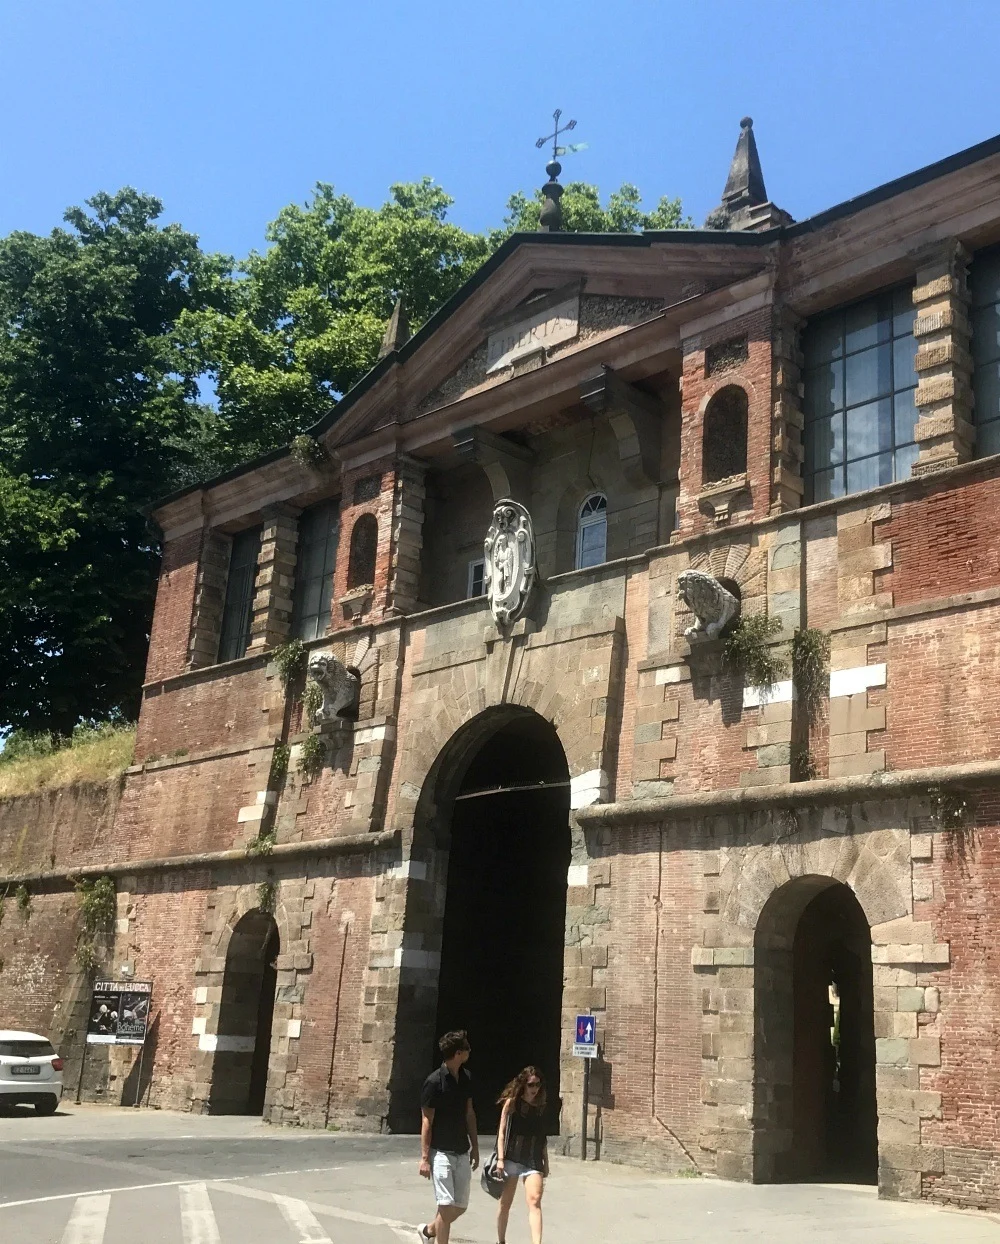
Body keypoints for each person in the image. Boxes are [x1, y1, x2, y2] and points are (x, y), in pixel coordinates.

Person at [418, 1030, 479, 1243]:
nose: (470, 1052)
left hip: (462, 1149)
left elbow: (469, 1113)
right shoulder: (434, 1082)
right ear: (458, 1053)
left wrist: (476, 1147)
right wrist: (425, 1158)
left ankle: (428, 1232)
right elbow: (427, 1121)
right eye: (467, 1048)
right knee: (445, 1207)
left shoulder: (466, 1078)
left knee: (460, 1206)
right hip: (441, 1152)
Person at [494, 1066, 549, 1244]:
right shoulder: (512, 1103)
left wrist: (545, 1161)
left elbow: (542, 1136)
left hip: (533, 1158)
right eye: (532, 1085)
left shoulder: (541, 1104)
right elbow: (501, 1132)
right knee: (505, 1203)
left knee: (535, 1200)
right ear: (524, 1084)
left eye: (538, 1084)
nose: (535, 1089)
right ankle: (501, 1240)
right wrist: (500, 1159)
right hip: (511, 1157)